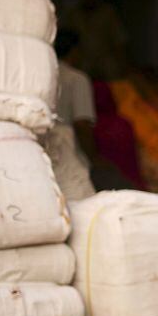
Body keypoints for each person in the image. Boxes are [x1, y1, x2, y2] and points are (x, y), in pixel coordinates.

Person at [44, 30, 97, 200]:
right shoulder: (77, 79)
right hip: (69, 151)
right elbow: (82, 123)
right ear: (75, 51)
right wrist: (93, 157)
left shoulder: (42, 74)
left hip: (43, 150)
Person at [62, 0, 128, 80]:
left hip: (106, 65)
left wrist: (123, 66)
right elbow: (66, 42)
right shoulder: (73, 15)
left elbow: (119, 42)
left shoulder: (109, 13)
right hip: (82, 65)